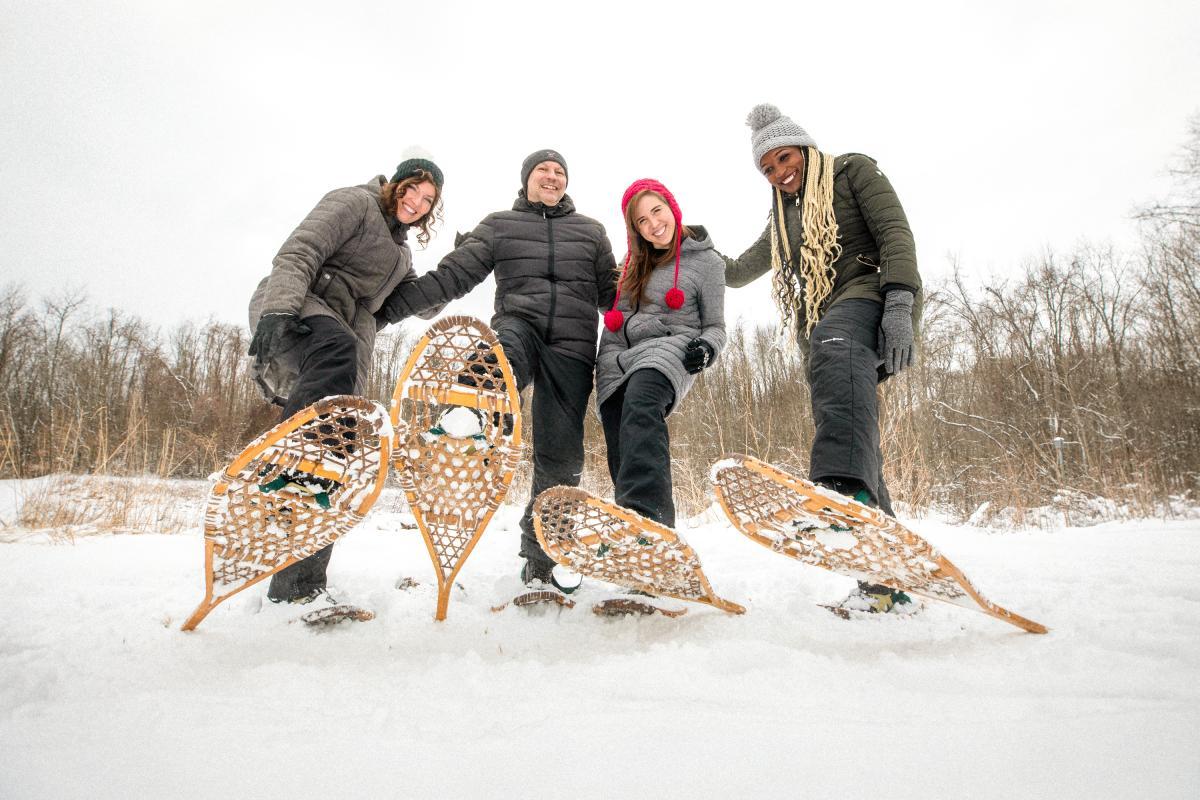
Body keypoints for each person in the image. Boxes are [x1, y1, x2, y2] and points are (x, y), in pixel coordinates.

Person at [377, 149, 618, 591]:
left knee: (561, 455)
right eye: (543, 169)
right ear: (526, 179)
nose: (551, 176)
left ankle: (544, 559)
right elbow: (453, 277)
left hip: (574, 346)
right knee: (501, 356)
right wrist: (384, 312)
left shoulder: (591, 232)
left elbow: (614, 294)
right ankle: (468, 414)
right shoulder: (500, 225)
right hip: (520, 325)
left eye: (559, 171)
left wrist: (665, 286)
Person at [722, 104, 922, 614]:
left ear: (804, 148)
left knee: (833, 351)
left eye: (783, 158)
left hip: (872, 295)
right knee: (852, 431)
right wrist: (692, 246)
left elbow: (895, 232)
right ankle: (885, 582)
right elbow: (742, 270)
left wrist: (900, 303)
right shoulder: (782, 217)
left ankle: (839, 490)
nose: (779, 173)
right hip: (827, 324)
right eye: (766, 169)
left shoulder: (852, 171)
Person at [247, 155, 446, 603]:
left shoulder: (400, 255)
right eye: (412, 189)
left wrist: (464, 260)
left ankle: (299, 590)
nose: (416, 202)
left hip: (340, 350)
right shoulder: (353, 203)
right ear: (394, 184)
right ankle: (286, 459)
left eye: (428, 200)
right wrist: (278, 308)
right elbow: (301, 250)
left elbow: (422, 302)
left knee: (334, 463)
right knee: (337, 347)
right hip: (300, 311)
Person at [596, 178, 726, 529]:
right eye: (642, 220)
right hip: (618, 356)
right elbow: (616, 313)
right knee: (618, 432)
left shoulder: (707, 262)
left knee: (640, 405)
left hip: (671, 349)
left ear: (672, 207)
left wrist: (707, 348)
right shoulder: (630, 264)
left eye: (657, 211)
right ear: (635, 229)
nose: (654, 224)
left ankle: (650, 519)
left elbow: (716, 327)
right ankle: (633, 528)